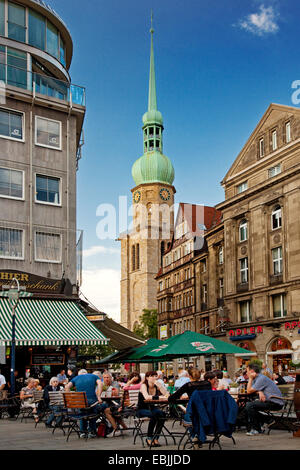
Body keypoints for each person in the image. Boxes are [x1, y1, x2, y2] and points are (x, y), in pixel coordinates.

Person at [65, 369, 112, 438]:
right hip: (92, 402)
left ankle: (83, 432)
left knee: (83, 411)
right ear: (86, 373)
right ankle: (92, 431)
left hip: (80, 403)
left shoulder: (75, 378)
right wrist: (98, 396)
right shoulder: (93, 376)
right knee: (96, 409)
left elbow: (67, 387)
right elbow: (100, 384)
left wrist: (71, 399)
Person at [245, 362, 284, 436]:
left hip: (275, 402)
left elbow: (249, 391)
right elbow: (253, 390)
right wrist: (259, 391)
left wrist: (250, 378)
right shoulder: (257, 378)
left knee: (249, 405)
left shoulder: (261, 378)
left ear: (252, 371)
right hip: (269, 401)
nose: (246, 373)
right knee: (248, 406)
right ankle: (267, 420)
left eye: (247, 371)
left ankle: (257, 429)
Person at [137, 371, 169, 447]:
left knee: (163, 414)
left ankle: (156, 438)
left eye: (155, 376)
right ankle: (149, 437)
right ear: (147, 378)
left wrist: (160, 385)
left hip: (152, 408)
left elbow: (167, 395)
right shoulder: (144, 385)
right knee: (155, 414)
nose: (154, 377)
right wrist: (160, 397)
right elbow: (147, 397)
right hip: (141, 409)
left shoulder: (156, 386)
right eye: (152, 376)